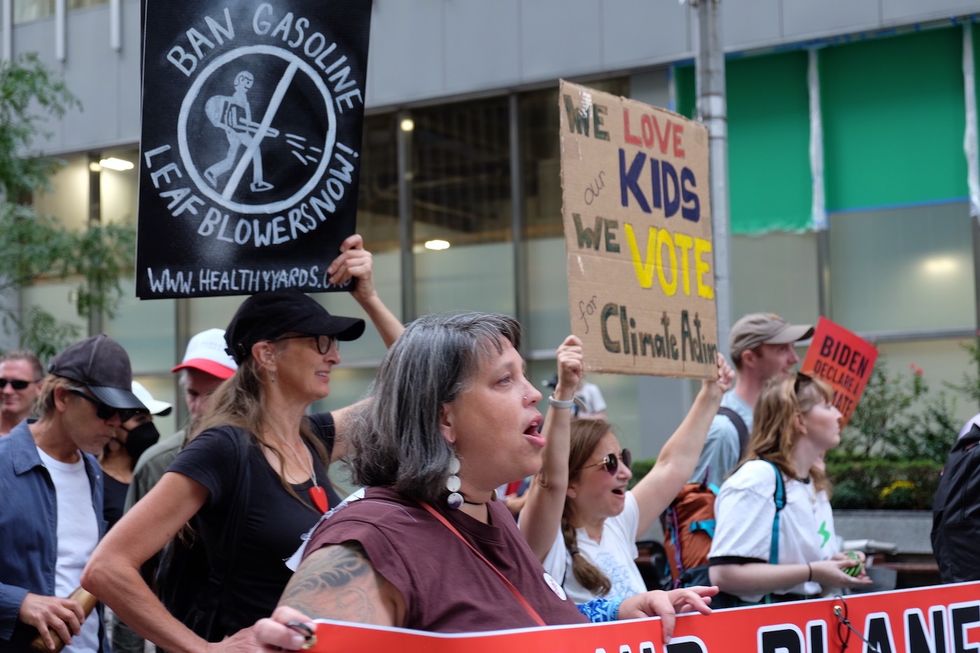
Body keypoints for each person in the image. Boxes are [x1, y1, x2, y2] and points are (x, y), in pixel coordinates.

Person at [252, 313, 715, 648]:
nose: (534, 393)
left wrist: (614, 618)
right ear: (444, 420)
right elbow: (307, 637)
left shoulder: (487, 510)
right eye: (504, 381)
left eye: (524, 378)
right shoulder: (374, 537)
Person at [83, 240, 404, 650]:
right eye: (319, 342)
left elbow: (416, 388)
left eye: (334, 344)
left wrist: (370, 298)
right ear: (267, 354)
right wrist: (204, 649)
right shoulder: (225, 448)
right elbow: (106, 568)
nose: (334, 357)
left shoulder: (312, 437)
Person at [520, 337, 734, 604]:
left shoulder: (615, 523)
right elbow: (549, 480)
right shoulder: (548, 544)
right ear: (570, 483)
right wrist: (564, 392)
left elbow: (671, 466)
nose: (625, 473)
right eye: (610, 463)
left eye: (624, 459)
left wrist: (712, 393)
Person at [0, 334, 145, 651]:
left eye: (123, 412)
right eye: (106, 410)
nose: (116, 423)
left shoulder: (91, 469)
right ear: (63, 398)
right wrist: (19, 602)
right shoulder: (4, 464)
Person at [110, 329, 236, 653]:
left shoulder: (272, 454)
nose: (201, 406)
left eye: (214, 393)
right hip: (181, 637)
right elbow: (131, 569)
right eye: (193, 393)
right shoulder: (159, 463)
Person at [707, 373, 872, 603]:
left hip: (805, 624)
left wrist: (835, 565)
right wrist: (812, 571)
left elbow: (807, 564)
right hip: (767, 627)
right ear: (799, 422)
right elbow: (724, 573)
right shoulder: (757, 478)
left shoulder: (813, 483)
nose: (839, 415)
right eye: (827, 407)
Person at [687, 313, 813, 488]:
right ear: (750, 358)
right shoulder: (723, 431)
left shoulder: (785, 419)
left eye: (792, 347)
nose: (794, 358)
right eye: (782, 349)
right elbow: (699, 508)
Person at [101, 382, 172, 530]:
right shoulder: (95, 479)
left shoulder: (153, 473)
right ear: (114, 425)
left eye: (150, 420)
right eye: (140, 420)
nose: (150, 429)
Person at [0, 350, 43, 436]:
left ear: (40, 388)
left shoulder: (45, 441)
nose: (7, 391)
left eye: (19, 384)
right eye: (1, 383)